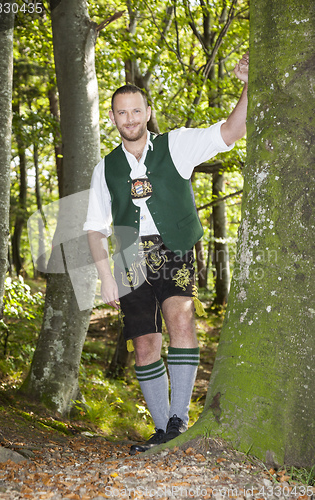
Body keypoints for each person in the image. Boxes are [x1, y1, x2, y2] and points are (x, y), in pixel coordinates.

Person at [84, 52, 249, 454]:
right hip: (127, 260)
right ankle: (163, 431)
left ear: (147, 112)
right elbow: (93, 228)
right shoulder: (105, 168)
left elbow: (230, 131)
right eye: (121, 113)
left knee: (180, 317)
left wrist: (250, 83)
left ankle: (179, 420)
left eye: (136, 110)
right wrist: (105, 275)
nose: (130, 119)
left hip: (172, 248)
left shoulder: (175, 146)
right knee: (144, 343)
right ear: (113, 119)